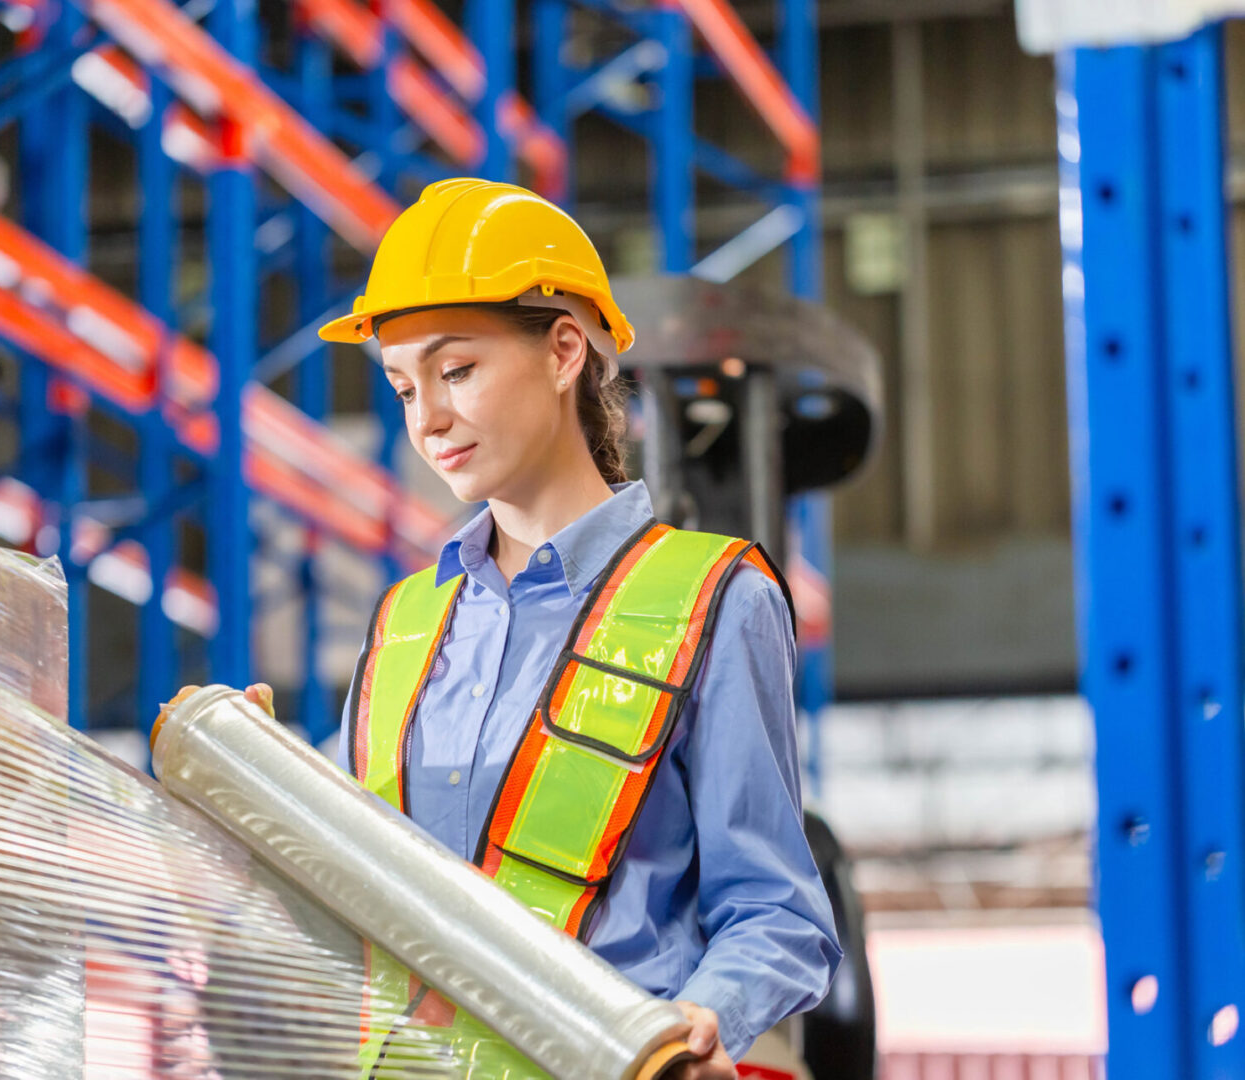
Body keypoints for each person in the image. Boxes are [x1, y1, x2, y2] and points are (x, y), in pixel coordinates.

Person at [179, 178, 841, 1079]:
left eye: (457, 371)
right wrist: (262, 800)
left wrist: (700, 1023)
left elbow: (775, 911)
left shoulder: (712, 599)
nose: (428, 420)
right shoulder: (406, 622)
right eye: (403, 385)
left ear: (564, 349)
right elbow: (344, 903)